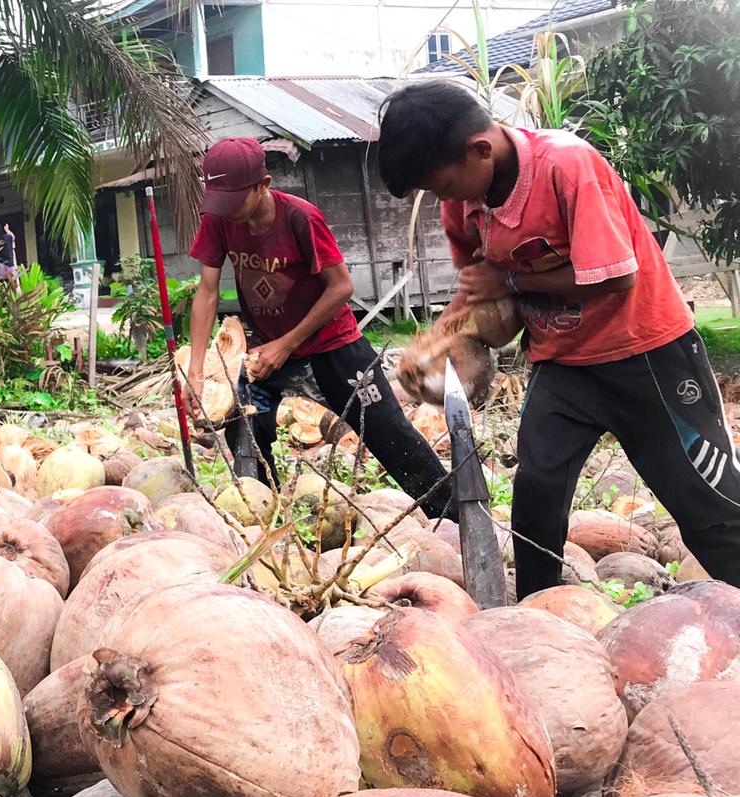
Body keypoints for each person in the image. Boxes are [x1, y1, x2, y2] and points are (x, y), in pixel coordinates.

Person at [377, 81, 740, 596]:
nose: (445, 200)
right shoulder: (464, 203)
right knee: (536, 496)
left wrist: (509, 281)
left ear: (480, 149)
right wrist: (442, 341)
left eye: (444, 185)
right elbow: (482, 292)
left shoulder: (566, 165)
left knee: (707, 505)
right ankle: (538, 615)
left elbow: (616, 278)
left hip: (647, 356)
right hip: (561, 364)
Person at [186, 136, 456, 519]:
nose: (226, 211)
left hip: (334, 347)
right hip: (265, 351)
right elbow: (207, 292)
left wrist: (286, 344)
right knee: (245, 426)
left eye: (234, 200)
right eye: (220, 200)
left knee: (389, 433)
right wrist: (197, 371)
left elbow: (341, 287)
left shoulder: (300, 218)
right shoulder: (219, 221)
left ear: (263, 186)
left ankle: (453, 516)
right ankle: (261, 518)